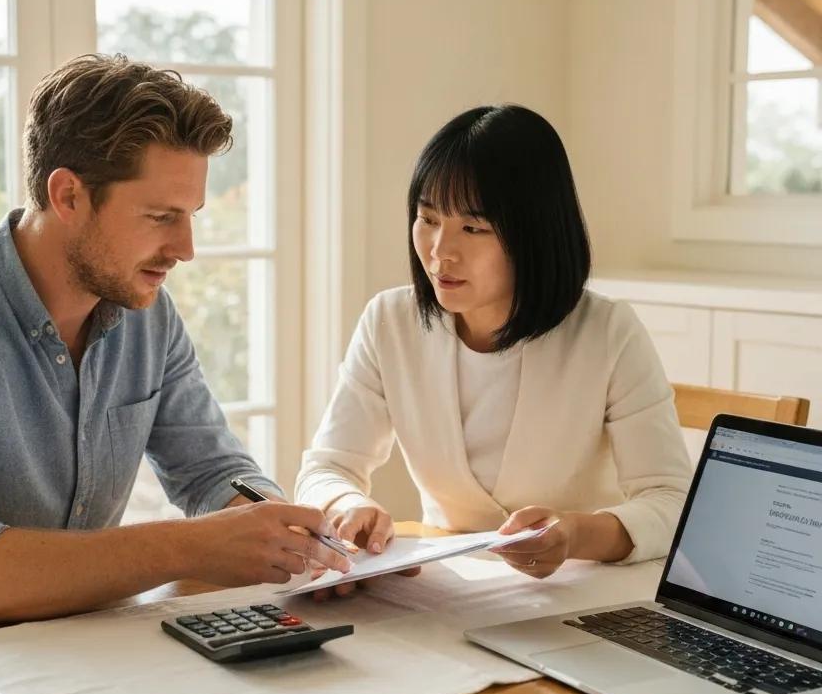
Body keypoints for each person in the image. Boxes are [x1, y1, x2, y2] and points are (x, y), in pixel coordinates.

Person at [0, 54, 350, 627]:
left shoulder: (147, 313)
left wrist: (299, 536)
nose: (186, 248)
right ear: (69, 196)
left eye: (191, 216)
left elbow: (212, 472)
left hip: (71, 647)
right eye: (161, 216)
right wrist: (193, 545)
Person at [296, 104, 691, 592]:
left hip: (581, 596)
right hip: (448, 594)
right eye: (428, 218)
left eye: (474, 228)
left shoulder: (608, 332)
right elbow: (327, 467)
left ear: (535, 233)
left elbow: (672, 502)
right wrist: (347, 505)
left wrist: (575, 534)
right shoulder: (390, 322)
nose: (440, 251)